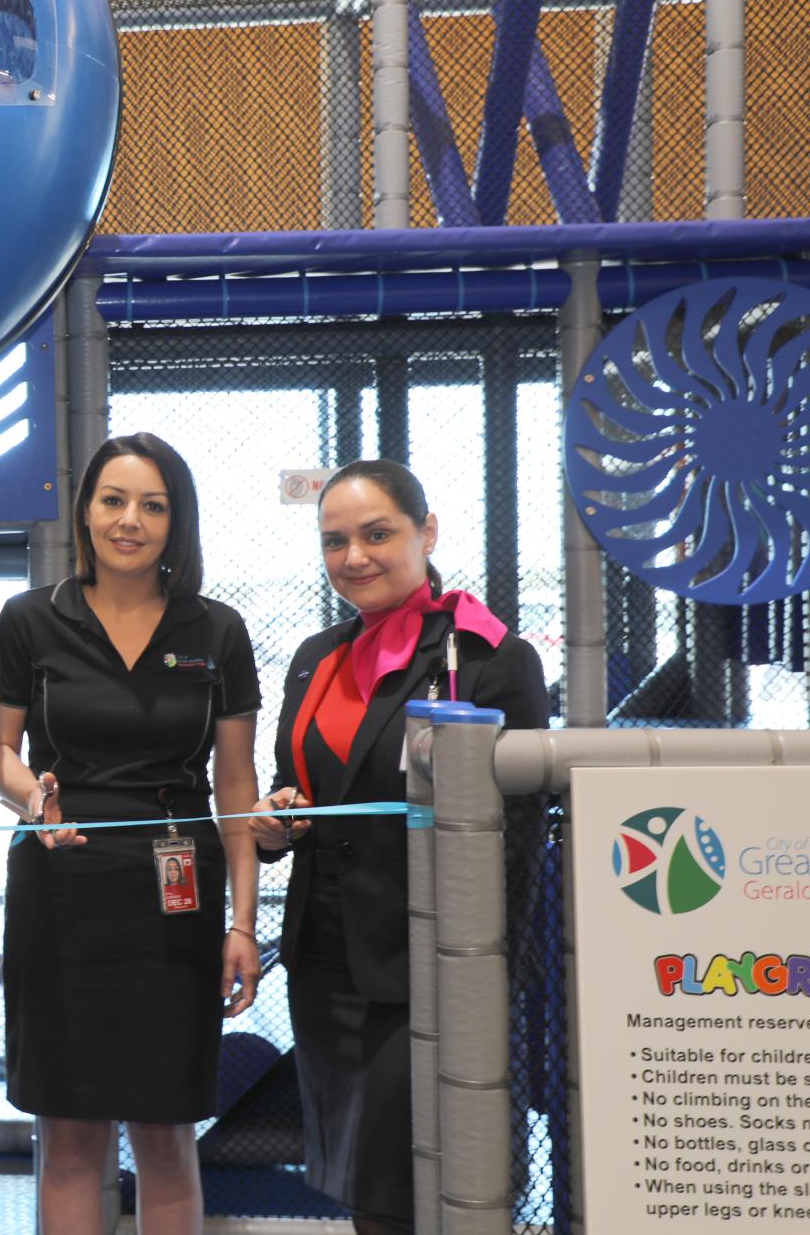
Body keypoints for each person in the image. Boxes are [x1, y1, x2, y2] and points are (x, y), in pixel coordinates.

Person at [244, 459, 548, 1235]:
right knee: (365, 1186)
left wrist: (477, 964)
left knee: (426, 1186)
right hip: (324, 963)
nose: (355, 557)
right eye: (335, 540)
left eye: (377, 534)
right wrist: (279, 816)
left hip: (427, 966)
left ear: (428, 532)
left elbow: (516, 843)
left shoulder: (489, 659)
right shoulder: (317, 655)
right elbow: (299, 781)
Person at [0, 433, 262, 1235]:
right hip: (59, 888)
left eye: (153, 504)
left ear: (177, 520)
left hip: (175, 897)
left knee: (166, 1130)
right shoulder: (29, 618)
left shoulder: (218, 629)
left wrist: (244, 921)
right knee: (68, 1134)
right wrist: (32, 804)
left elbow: (238, 785)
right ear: (85, 511)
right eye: (113, 499)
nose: (130, 520)